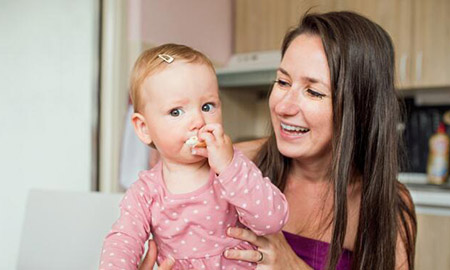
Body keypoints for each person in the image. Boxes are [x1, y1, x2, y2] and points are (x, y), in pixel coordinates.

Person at [139, 11, 417, 270]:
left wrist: (293, 266)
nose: (283, 106)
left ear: (361, 104)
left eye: (313, 92)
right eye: (282, 82)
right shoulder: (233, 164)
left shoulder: (386, 203)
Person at [99, 43, 289, 270]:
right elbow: (123, 240)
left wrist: (229, 167)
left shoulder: (232, 170)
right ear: (143, 128)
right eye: (176, 112)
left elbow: (272, 220)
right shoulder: (146, 192)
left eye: (208, 106)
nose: (198, 121)